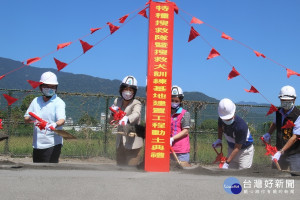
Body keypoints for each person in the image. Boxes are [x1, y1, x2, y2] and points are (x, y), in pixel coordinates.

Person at [24, 71, 66, 163]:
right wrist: (33, 118)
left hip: (53, 144)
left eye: (52, 87)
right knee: (37, 170)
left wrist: (54, 124)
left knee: (48, 171)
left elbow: (62, 120)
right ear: (41, 87)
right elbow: (26, 118)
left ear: (56, 88)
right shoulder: (36, 101)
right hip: (37, 144)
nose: (49, 89)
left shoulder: (58, 102)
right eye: (46, 86)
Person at [262, 85, 300, 171]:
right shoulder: (279, 112)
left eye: (288, 100)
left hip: (294, 152)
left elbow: (295, 137)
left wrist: (281, 151)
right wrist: (269, 133)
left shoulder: (298, 115)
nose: (286, 102)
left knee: (296, 176)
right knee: (276, 174)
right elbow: (275, 123)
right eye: (283, 100)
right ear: (280, 99)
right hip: (279, 149)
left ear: (294, 100)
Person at [110, 75, 143, 166]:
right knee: (120, 167)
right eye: (125, 89)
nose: (127, 92)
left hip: (133, 143)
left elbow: (136, 114)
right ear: (121, 90)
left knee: (130, 168)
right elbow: (111, 118)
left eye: (130, 90)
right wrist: (113, 114)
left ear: (134, 92)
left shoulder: (136, 103)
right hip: (120, 142)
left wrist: (127, 118)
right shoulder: (117, 101)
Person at [212, 98, 254, 169]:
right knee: (230, 173)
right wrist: (219, 139)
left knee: (243, 173)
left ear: (234, 113)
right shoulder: (221, 119)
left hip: (244, 151)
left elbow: (237, 147)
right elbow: (220, 128)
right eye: (225, 119)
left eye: (229, 118)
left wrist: (227, 162)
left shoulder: (241, 126)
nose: (227, 120)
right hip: (231, 149)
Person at [170, 85, 191, 167]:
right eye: (172, 100)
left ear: (180, 101)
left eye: (176, 101)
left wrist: (172, 138)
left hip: (181, 150)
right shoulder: (164, 113)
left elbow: (185, 131)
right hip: (169, 149)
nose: (174, 102)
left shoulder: (185, 113)